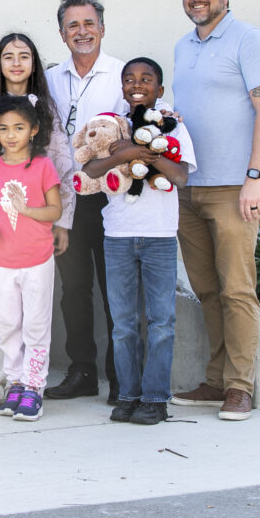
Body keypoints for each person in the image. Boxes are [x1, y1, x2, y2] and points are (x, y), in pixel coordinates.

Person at [170, 0, 260, 422]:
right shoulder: (183, 47)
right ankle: (215, 381)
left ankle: (240, 386)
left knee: (237, 289)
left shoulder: (249, 40)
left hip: (235, 187)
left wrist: (256, 178)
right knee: (208, 290)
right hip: (188, 189)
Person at [0, 33, 75, 403]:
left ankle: (30, 382)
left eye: (24, 56)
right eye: (8, 56)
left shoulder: (46, 111)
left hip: (36, 223)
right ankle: (3, 379)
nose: (15, 62)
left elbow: (63, 166)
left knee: (33, 307)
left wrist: (62, 222)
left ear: (33, 63)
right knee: (3, 304)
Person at [82, 58, 195, 425]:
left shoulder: (173, 127)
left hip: (160, 236)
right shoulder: (111, 127)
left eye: (146, 79)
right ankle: (128, 395)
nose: (137, 84)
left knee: (161, 320)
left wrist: (150, 153)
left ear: (159, 90)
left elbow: (179, 177)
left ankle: (155, 398)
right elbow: (89, 171)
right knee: (124, 322)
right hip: (117, 235)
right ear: (122, 87)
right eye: (129, 78)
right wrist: (125, 152)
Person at [44, 0, 127, 404]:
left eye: (89, 23)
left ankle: (121, 374)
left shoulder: (121, 74)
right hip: (67, 198)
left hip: (111, 198)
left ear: (102, 28)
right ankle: (82, 371)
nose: (82, 32)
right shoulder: (51, 78)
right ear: (62, 34)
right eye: (73, 26)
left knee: (115, 286)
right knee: (74, 287)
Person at [0, 95, 62, 421]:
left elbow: (55, 210)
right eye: (4, 129)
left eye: (19, 128)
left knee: (36, 325)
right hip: (2, 259)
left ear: (34, 130)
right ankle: (14, 382)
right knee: (7, 324)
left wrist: (25, 210)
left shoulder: (42, 166)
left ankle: (34, 386)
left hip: (37, 258)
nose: (11, 135)